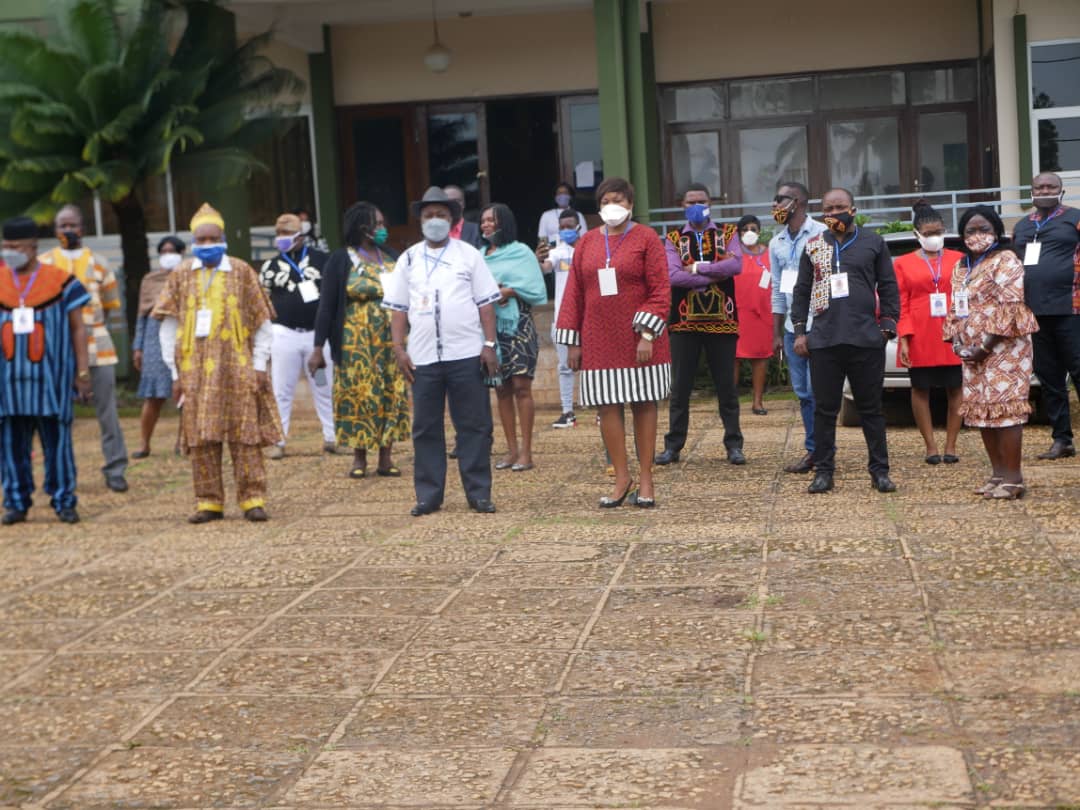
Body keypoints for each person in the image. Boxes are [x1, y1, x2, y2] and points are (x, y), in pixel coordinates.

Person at [153, 203, 282, 523]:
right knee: (201, 437)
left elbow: (262, 323)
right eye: (202, 240)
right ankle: (208, 502)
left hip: (237, 367)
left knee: (245, 435)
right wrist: (174, 371)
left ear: (223, 238)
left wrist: (259, 365)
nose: (207, 245)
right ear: (194, 241)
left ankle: (253, 499)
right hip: (194, 371)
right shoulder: (181, 274)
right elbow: (168, 326)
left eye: (213, 238)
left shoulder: (240, 271)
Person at [381, 186, 502, 516]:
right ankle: (429, 495)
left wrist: (489, 344)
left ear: (453, 220)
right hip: (422, 358)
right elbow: (398, 309)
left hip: (466, 354)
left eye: (442, 215)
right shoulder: (408, 259)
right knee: (425, 428)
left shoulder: (469, 255)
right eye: (429, 215)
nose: (435, 220)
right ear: (420, 221)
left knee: (474, 426)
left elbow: (486, 305)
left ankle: (479, 493)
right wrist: (398, 348)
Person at [557, 177, 671, 508]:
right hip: (598, 339)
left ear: (631, 205)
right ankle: (622, 477)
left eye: (619, 200)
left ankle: (647, 478)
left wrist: (647, 333)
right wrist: (572, 342)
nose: (613, 206)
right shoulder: (587, 243)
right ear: (598, 206)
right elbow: (573, 294)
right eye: (607, 200)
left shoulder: (647, 238)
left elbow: (661, 288)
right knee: (607, 405)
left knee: (643, 403)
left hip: (640, 339)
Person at [790, 187, 900, 494]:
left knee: (871, 409)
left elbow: (889, 285)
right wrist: (800, 331)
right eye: (829, 208)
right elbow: (801, 290)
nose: (834, 212)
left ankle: (880, 471)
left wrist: (887, 327)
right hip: (824, 341)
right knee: (825, 410)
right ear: (822, 212)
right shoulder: (814, 245)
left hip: (865, 339)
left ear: (852, 209)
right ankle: (824, 471)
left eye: (840, 206)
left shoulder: (873, 242)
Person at [0, 216, 92, 524]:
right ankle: (16, 501)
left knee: (58, 443)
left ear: (32, 246)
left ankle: (64, 500)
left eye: (14, 246)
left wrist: (82, 373)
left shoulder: (61, 281)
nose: (8, 251)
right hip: (8, 383)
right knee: (11, 444)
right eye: (5, 245)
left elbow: (78, 328)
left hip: (51, 380)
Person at [943, 205, 1039, 499]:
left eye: (984, 229)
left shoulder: (1006, 260)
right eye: (970, 230)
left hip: (1004, 347)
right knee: (981, 410)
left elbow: (1011, 307)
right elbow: (956, 306)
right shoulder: (962, 266)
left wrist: (985, 347)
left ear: (997, 230)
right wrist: (958, 342)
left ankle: (1014, 478)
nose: (977, 235)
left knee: (1006, 410)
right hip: (971, 351)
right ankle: (997, 474)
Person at [310, 202, 409, 479]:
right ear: (360, 227)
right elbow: (327, 306)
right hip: (355, 342)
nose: (381, 229)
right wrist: (318, 347)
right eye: (376, 224)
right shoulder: (341, 259)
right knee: (358, 395)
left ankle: (386, 458)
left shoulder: (391, 256)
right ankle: (359, 458)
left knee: (390, 392)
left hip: (390, 341)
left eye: (382, 223)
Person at [40, 204, 129, 492]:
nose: (67, 230)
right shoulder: (43, 264)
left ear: (83, 228)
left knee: (108, 412)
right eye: (62, 226)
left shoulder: (101, 263)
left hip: (98, 348)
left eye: (72, 225)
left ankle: (115, 469)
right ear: (54, 231)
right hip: (56, 350)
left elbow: (111, 306)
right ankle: (61, 473)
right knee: (55, 414)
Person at [656, 182, 745, 467]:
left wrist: (695, 269)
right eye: (690, 201)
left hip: (723, 321)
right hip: (684, 323)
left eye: (701, 201)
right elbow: (671, 276)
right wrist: (714, 275)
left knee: (726, 388)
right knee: (680, 388)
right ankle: (673, 446)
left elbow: (736, 266)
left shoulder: (728, 232)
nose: (696, 206)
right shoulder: (671, 238)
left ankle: (734, 445)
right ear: (682, 205)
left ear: (710, 203)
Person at [1012, 172, 1080, 460]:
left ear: (1061, 191)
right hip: (1035, 313)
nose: (1044, 191)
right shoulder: (1022, 225)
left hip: (1072, 310)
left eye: (1050, 186)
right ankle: (1062, 439)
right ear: (1031, 192)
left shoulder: (1074, 218)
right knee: (1050, 378)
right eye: (1039, 187)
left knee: (1078, 371)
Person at [259, 212, 335, 460]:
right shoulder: (269, 267)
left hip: (317, 335)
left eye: (287, 234)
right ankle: (278, 441)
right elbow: (262, 299)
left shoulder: (323, 261)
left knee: (324, 385)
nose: (281, 238)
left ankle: (331, 438)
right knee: (282, 388)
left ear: (300, 236)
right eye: (278, 234)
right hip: (284, 333)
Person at [894, 201, 964, 464]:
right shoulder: (902, 263)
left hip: (952, 331)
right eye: (928, 233)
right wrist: (904, 338)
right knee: (920, 388)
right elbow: (901, 302)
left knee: (955, 386)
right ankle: (931, 446)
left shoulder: (958, 259)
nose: (934, 237)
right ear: (917, 234)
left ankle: (951, 446)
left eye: (938, 231)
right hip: (919, 333)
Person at [480, 203, 548, 471]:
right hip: (490, 330)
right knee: (501, 388)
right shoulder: (479, 256)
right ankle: (510, 450)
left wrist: (507, 291)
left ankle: (527, 453)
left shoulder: (521, 252)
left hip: (518, 325)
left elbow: (534, 287)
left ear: (503, 223)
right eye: (483, 221)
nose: (485, 225)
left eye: (491, 220)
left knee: (521, 387)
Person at [769, 181, 826, 474]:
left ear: (798, 202)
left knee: (820, 392)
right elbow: (778, 289)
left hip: (820, 324)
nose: (776, 204)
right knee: (803, 393)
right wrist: (777, 332)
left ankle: (824, 451)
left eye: (781, 199)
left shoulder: (820, 234)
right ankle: (814, 451)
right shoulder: (776, 242)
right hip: (793, 326)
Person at [132, 236, 185, 458]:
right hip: (153, 340)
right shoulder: (150, 279)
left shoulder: (188, 277)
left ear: (181, 253)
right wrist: (138, 347)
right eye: (163, 251)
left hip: (182, 336)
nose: (167, 254)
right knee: (153, 396)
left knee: (186, 395)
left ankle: (182, 443)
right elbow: (142, 316)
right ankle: (144, 444)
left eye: (172, 250)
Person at [541, 208, 583, 427]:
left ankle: (599, 409)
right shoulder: (558, 251)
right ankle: (568, 412)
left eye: (569, 226)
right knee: (565, 366)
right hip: (563, 319)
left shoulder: (588, 249)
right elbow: (546, 266)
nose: (566, 230)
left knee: (592, 364)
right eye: (562, 227)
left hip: (588, 317)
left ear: (578, 227)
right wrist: (538, 260)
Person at [733, 215, 773, 416]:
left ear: (759, 231)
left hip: (762, 314)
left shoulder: (769, 253)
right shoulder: (732, 254)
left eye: (753, 228)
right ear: (738, 233)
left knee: (760, 358)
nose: (749, 232)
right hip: (737, 313)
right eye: (744, 229)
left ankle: (758, 402)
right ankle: (731, 402)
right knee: (734, 358)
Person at [537, 182, 589, 250]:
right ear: (555, 197)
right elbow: (542, 239)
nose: (562, 195)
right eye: (559, 193)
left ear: (570, 196)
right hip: (551, 252)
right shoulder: (546, 215)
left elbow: (584, 238)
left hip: (574, 251)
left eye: (565, 193)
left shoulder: (578, 215)